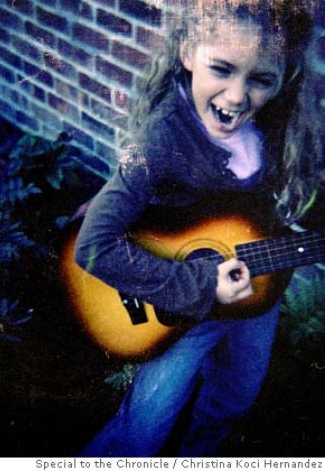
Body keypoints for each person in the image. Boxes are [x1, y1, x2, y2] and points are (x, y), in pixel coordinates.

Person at [73, 0, 323, 458]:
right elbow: (92, 246)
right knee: (143, 431)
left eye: (261, 80)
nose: (236, 96)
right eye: (222, 69)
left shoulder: (281, 129)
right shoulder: (160, 140)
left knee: (233, 401)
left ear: (285, 78)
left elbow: (305, 205)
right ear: (188, 51)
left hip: (256, 302)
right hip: (178, 315)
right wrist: (203, 283)